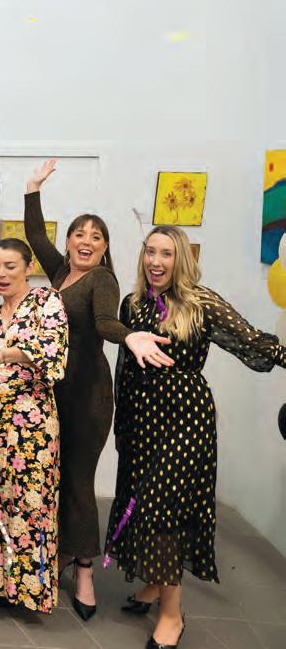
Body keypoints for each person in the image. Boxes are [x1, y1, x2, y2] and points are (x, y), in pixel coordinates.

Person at [111, 225, 286, 649]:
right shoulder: (132, 303)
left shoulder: (201, 302)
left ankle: (172, 616)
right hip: (141, 421)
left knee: (160, 511)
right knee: (141, 499)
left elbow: (250, 340)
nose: (156, 262)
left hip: (185, 421)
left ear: (182, 260)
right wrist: (121, 425)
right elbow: (124, 365)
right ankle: (155, 585)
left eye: (166, 254)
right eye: (150, 252)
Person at [25, 160, 173, 620]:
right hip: (53, 394)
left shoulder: (102, 280)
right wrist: (32, 188)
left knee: (79, 481)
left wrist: (130, 337)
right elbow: (35, 236)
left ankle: (85, 569)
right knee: (55, 476)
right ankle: (63, 552)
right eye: (78, 234)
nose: (86, 241)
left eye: (96, 236)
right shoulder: (59, 272)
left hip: (88, 397)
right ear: (70, 241)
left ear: (105, 247)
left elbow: (107, 322)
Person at [0, 239, 68, 613]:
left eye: (10, 266)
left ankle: (25, 588)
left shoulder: (46, 301)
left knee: (27, 505)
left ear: (27, 267)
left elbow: (51, 351)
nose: (1, 274)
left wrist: (2, 354)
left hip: (28, 429)